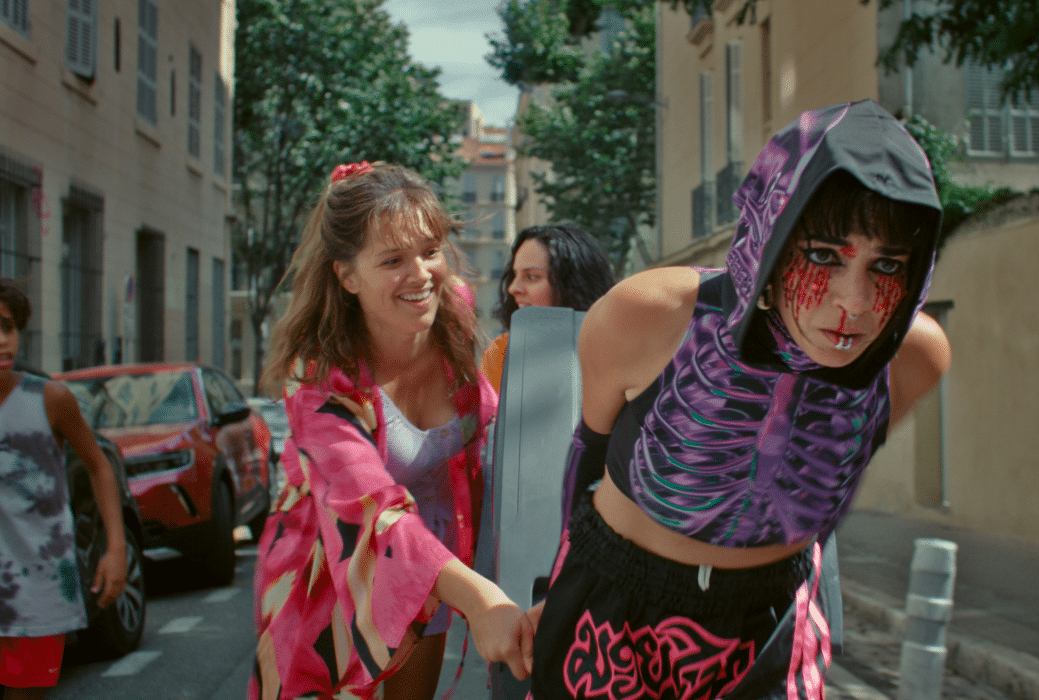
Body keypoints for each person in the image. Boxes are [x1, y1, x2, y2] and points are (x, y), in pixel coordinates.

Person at [527, 100, 952, 699]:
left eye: (887, 266)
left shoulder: (912, 357)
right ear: (773, 234)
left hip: (769, 628)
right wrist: (550, 588)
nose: (854, 303)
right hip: (611, 615)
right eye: (825, 256)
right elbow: (587, 458)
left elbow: (826, 490)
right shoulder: (647, 316)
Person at [250, 162, 533, 700]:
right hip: (330, 574)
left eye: (430, 250)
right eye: (393, 260)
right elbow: (371, 510)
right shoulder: (317, 382)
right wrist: (478, 599)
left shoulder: (453, 319)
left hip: (431, 565)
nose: (422, 273)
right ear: (347, 275)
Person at [0, 279, 127, 700]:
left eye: (7, 327)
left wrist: (116, 548)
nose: (2, 340)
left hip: (36, 593)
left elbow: (98, 466)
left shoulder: (49, 399)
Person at [480, 225, 616, 394]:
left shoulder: (616, 351)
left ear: (571, 285)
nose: (513, 288)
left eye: (531, 276)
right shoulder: (501, 353)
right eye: (515, 275)